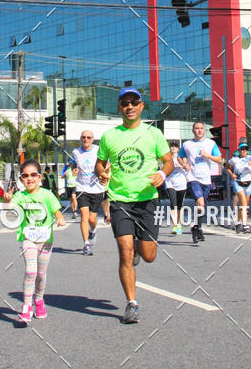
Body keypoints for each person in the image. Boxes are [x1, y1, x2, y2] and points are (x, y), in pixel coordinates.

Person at [95, 87, 172, 325]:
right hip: (119, 200)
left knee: (148, 256)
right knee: (124, 252)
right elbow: (100, 163)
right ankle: (132, 304)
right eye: (125, 103)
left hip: (147, 200)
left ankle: (140, 249)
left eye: (134, 102)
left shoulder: (154, 133)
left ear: (141, 106)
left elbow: (168, 161)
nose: (129, 106)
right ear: (119, 107)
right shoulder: (110, 136)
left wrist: (162, 173)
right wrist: (102, 174)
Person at [4, 160, 65, 324]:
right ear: (21, 179)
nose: (29, 178)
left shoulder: (47, 194)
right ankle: (26, 306)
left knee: (41, 274)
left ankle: (39, 300)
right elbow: (9, 209)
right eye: (25, 175)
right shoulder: (20, 196)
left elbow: (56, 211)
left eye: (33, 175)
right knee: (31, 271)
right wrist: (7, 200)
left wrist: (60, 220)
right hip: (28, 239)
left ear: (39, 177)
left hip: (45, 240)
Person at [178, 122, 223, 244]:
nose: (199, 130)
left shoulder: (210, 143)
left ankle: (196, 227)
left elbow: (219, 159)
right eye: (197, 128)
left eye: (201, 128)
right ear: (193, 130)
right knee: (200, 202)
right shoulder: (187, 144)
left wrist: (208, 155)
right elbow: (179, 156)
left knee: (202, 206)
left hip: (206, 179)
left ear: (204, 130)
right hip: (193, 177)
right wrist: (184, 165)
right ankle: (198, 228)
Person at [72, 130, 106, 255]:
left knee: (92, 219)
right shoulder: (76, 152)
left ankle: (93, 230)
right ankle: (86, 244)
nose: (86, 139)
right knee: (84, 216)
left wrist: (104, 174)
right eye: (83, 137)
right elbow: (73, 164)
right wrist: (73, 169)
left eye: (88, 137)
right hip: (82, 187)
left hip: (96, 188)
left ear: (93, 139)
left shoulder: (98, 150)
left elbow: (107, 164)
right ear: (81, 139)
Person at [225, 142, 251, 232]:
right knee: (243, 203)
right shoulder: (234, 159)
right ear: (239, 150)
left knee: (245, 205)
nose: (244, 151)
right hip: (237, 182)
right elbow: (227, 167)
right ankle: (245, 225)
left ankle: (239, 222)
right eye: (242, 149)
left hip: (248, 183)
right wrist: (232, 174)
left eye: (246, 149)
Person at [165, 141, 187, 234]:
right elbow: (164, 169)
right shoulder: (168, 158)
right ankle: (175, 225)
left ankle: (179, 223)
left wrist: (181, 166)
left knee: (179, 205)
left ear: (178, 148)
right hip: (170, 183)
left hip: (181, 183)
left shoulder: (182, 157)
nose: (173, 148)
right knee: (173, 204)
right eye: (172, 146)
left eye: (175, 146)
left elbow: (186, 167)